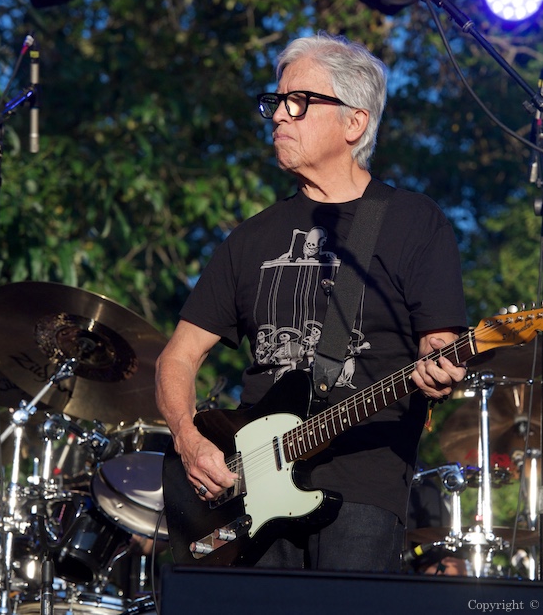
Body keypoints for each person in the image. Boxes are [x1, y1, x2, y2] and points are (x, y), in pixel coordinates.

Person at [155, 31, 468, 573]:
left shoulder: (415, 222)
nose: (279, 116)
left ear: (354, 122)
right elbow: (177, 358)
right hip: (245, 494)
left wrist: (442, 363)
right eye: (275, 102)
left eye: (298, 102)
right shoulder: (250, 238)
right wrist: (188, 439)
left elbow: (438, 342)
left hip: (362, 491)